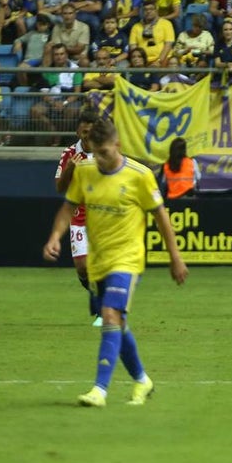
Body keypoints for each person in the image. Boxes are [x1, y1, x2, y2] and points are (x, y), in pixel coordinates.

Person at [43, 117, 188, 407]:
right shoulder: (85, 170)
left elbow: (162, 218)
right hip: (99, 260)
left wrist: (175, 258)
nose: (100, 159)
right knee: (117, 323)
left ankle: (100, 389)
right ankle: (142, 380)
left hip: (128, 259)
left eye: (105, 153)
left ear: (117, 145)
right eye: (95, 153)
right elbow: (67, 207)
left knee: (109, 314)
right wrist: (55, 237)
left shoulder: (140, 175)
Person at [54, 109, 100, 326]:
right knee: (81, 266)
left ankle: (103, 308)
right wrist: (69, 170)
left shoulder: (105, 151)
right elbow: (59, 188)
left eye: (90, 131)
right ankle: (95, 294)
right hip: (79, 216)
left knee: (102, 265)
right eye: (83, 132)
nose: (86, 136)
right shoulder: (69, 153)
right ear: (78, 131)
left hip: (102, 216)